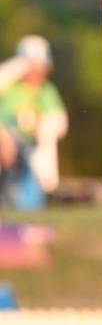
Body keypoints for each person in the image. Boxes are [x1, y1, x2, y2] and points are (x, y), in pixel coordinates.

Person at [0, 36, 68, 209]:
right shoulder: (9, 88)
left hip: (30, 155)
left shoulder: (46, 91)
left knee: (29, 203)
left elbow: (58, 123)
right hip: (7, 149)